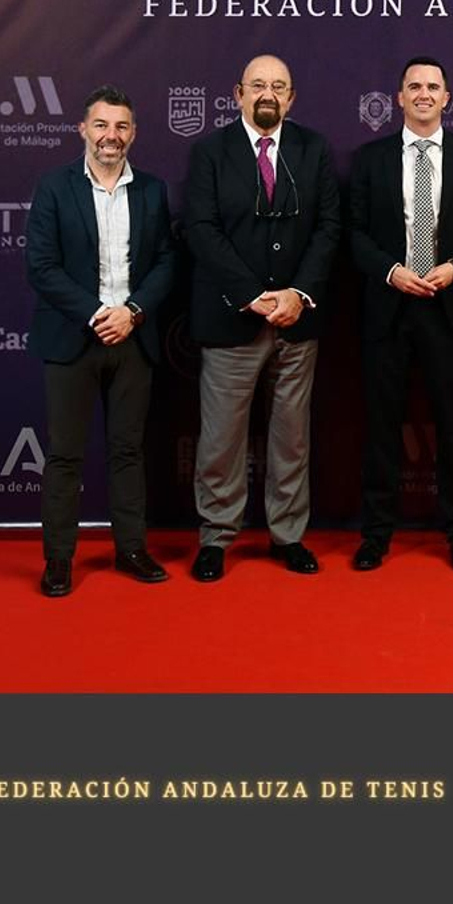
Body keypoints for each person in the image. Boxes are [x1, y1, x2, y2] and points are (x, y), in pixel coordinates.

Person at [183, 54, 341, 582]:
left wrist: (296, 293)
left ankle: (288, 534)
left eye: (278, 86)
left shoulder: (314, 150)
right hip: (233, 320)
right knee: (222, 437)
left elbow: (328, 229)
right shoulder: (209, 152)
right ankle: (217, 536)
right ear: (238, 94)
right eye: (258, 85)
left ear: (291, 97)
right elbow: (201, 229)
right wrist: (252, 294)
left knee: (291, 436)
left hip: (298, 320)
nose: (267, 93)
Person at [348, 56, 453, 572]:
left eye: (433, 86)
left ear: (446, 97)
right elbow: (353, 235)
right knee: (380, 427)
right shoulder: (369, 160)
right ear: (399, 97)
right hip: (388, 309)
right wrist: (391, 271)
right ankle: (375, 533)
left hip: (447, 309)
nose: (423, 94)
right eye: (413, 85)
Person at [25, 85, 176, 597]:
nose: (111, 136)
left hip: (133, 338)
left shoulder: (153, 191)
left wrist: (131, 313)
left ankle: (131, 548)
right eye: (101, 125)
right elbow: (41, 268)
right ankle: (60, 559)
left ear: (133, 133)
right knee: (65, 454)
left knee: (128, 451)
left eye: (121, 127)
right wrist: (96, 314)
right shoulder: (53, 187)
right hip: (73, 337)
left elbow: (166, 263)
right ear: (82, 130)